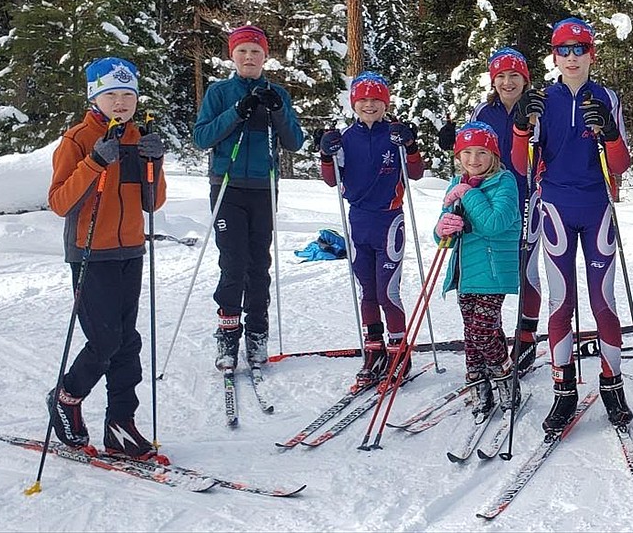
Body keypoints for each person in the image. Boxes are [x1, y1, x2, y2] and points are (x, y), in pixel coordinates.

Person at [511, 17, 633, 433]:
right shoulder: (544, 99)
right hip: (557, 208)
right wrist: (521, 126)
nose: (571, 57)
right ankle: (563, 391)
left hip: (598, 207)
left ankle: (612, 385)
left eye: (579, 49)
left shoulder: (606, 97)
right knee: (561, 301)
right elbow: (519, 165)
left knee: (604, 301)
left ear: (591, 54)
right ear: (554, 55)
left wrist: (611, 133)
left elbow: (620, 165)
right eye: (563, 50)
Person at [47, 57, 167, 458]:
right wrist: (95, 161)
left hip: (130, 249)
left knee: (127, 341)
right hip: (89, 253)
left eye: (127, 94)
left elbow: (153, 202)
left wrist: (155, 162)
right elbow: (60, 202)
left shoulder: (138, 135)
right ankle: (66, 398)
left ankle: (120, 422)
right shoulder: (77, 138)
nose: (120, 102)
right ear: (95, 97)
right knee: (104, 339)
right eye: (111, 94)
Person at [194, 25, 305, 371]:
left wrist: (277, 111)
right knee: (232, 262)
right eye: (242, 51)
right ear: (232, 55)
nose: (248, 58)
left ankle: (257, 333)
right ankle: (227, 336)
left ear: (265, 57)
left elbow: (294, 142)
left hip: (262, 187)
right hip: (226, 187)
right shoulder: (219, 91)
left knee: (258, 264)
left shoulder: (277, 92)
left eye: (255, 52)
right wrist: (236, 112)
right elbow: (202, 137)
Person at [319, 72, 423, 389]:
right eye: (362, 99)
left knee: (387, 292)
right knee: (367, 291)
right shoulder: (345, 138)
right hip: (358, 222)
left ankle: (398, 352)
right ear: (354, 103)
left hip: (389, 221)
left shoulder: (393, 134)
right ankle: (374, 350)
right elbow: (331, 180)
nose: (369, 104)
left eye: (376, 99)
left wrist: (410, 144)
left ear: (385, 103)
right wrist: (326, 153)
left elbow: (416, 173)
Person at [434, 121, 523, 414]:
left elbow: (494, 224)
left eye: (482, 152)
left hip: (493, 271)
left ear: (493, 155)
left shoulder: (504, 182)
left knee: (482, 330)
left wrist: (466, 194)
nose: (474, 160)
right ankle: (477, 380)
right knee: (472, 334)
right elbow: (443, 238)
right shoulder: (457, 182)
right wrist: (442, 227)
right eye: (467, 152)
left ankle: (504, 374)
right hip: (464, 271)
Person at [471, 47, 543, 373]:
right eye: (501, 76)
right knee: (494, 270)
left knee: (526, 268)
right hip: (494, 201)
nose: (507, 82)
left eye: (514, 75)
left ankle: (526, 336)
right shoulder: (483, 111)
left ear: (525, 79)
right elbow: (471, 153)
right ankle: (494, 337)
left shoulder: (539, 109)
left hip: (530, 197)